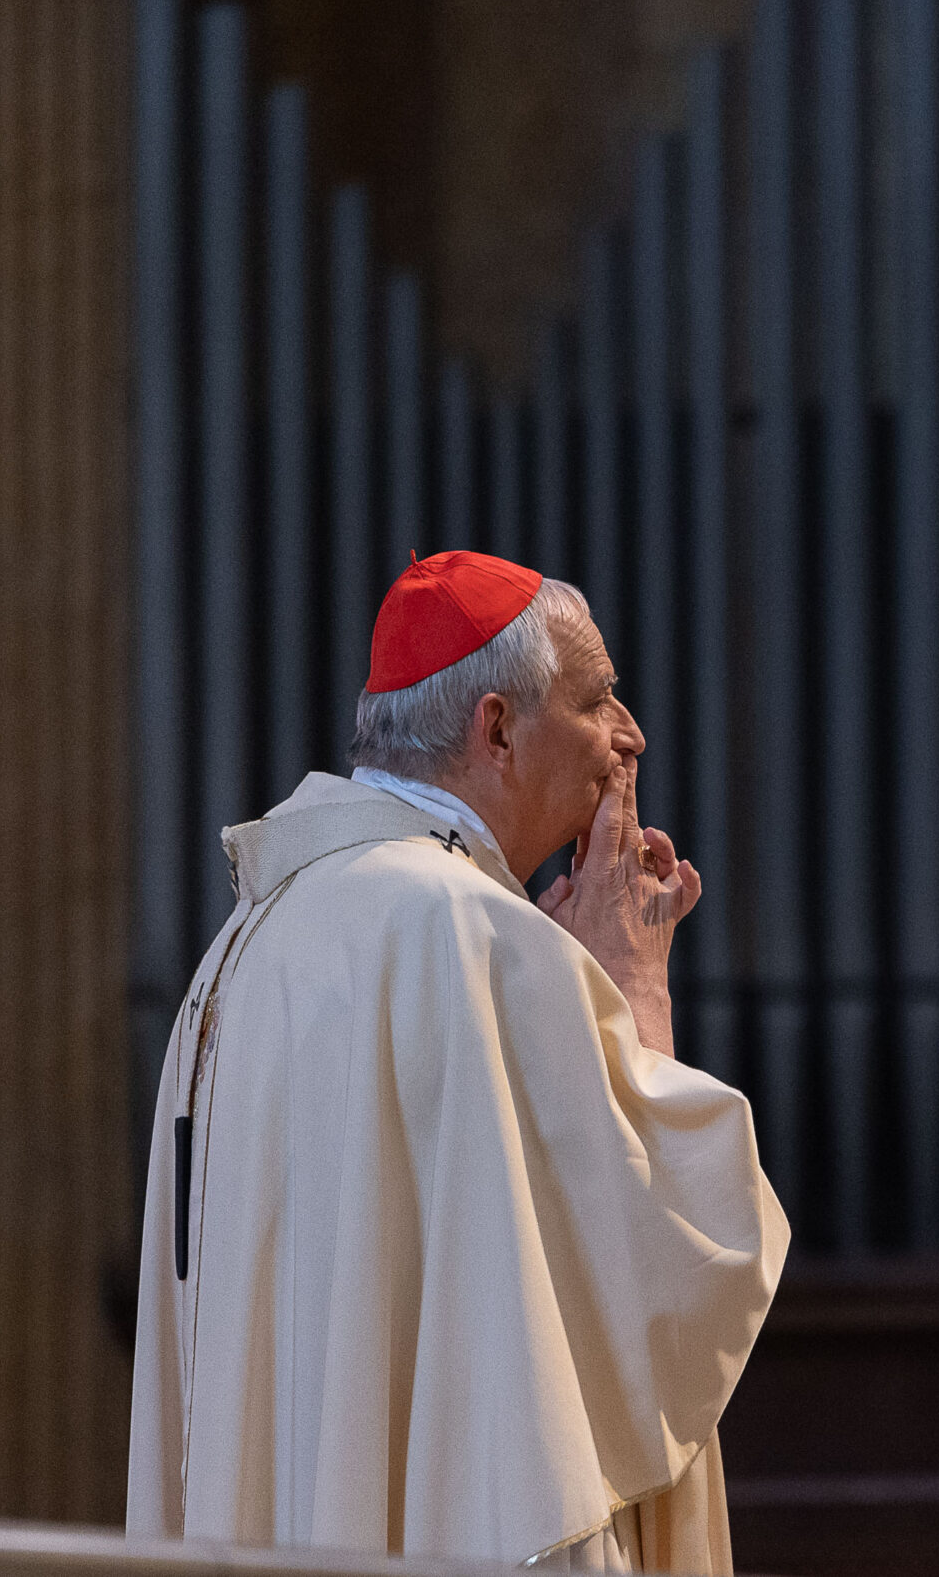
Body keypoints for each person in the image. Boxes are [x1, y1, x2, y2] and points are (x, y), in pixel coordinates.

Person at [128, 551, 788, 1573]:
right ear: (496, 732)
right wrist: (633, 994)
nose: (630, 736)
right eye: (597, 697)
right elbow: (657, 1278)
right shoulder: (468, 933)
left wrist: (572, 994)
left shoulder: (243, 949)